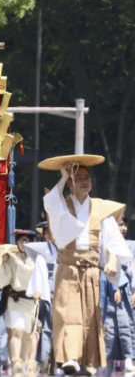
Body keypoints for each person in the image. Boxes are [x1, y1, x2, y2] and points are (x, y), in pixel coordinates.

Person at [39, 155, 133, 375]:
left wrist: (110, 260)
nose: (84, 181)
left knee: (90, 317)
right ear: (71, 183)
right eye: (78, 178)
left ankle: (87, 362)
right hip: (68, 269)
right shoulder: (62, 206)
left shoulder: (100, 208)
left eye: (86, 177)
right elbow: (50, 203)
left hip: (91, 271)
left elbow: (112, 241)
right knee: (69, 313)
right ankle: (70, 356)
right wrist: (63, 177)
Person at [0, 230, 38, 376]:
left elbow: (29, 272)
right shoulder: (12, 258)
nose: (23, 243)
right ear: (17, 243)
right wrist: (1, 261)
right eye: (20, 240)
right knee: (16, 330)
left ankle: (22, 365)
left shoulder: (36, 258)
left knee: (27, 334)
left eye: (26, 240)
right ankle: (16, 361)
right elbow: (1, 279)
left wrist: (13, 258)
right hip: (14, 299)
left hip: (30, 301)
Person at [100, 219, 135, 373]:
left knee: (125, 324)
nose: (122, 228)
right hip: (105, 290)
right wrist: (114, 286)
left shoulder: (132, 245)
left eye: (124, 225)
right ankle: (105, 359)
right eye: (119, 225)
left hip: (126, 291)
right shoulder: (104, 244)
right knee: (108, 328)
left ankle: (129, 357)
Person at [25, 221, 58, 374]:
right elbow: (38, 272)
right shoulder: (42, 251)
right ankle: (45, 363)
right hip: (47, 291)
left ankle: (60, 362)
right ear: (45, 234)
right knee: (46, 328)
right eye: (47, 232)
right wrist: (38, 290)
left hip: (62, 290)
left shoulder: (65, 250)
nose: (51, 234)